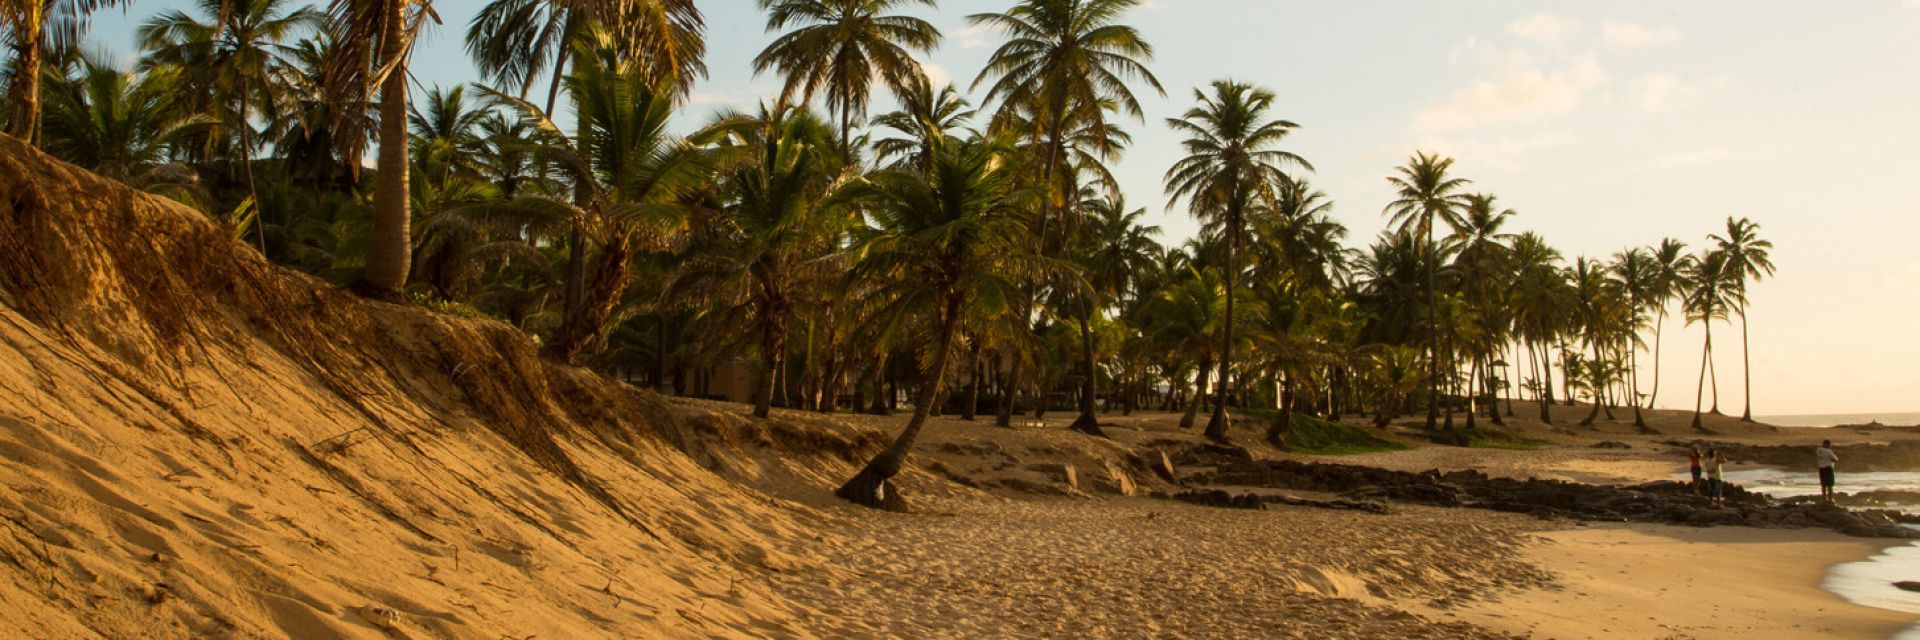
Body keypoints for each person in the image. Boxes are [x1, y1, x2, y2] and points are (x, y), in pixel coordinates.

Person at [1817, 439, 1840, 504]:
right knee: (1830, 485)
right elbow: (1835, 460)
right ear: (1826, 444)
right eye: (1829, 445)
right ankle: (1830, 499)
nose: (1829, 446)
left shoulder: (1819, 450)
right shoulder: (1829, 451)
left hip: (1821, 469)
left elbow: (1819, 457)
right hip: (1828, 468)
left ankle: (1824, 499)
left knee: (1823, 485)